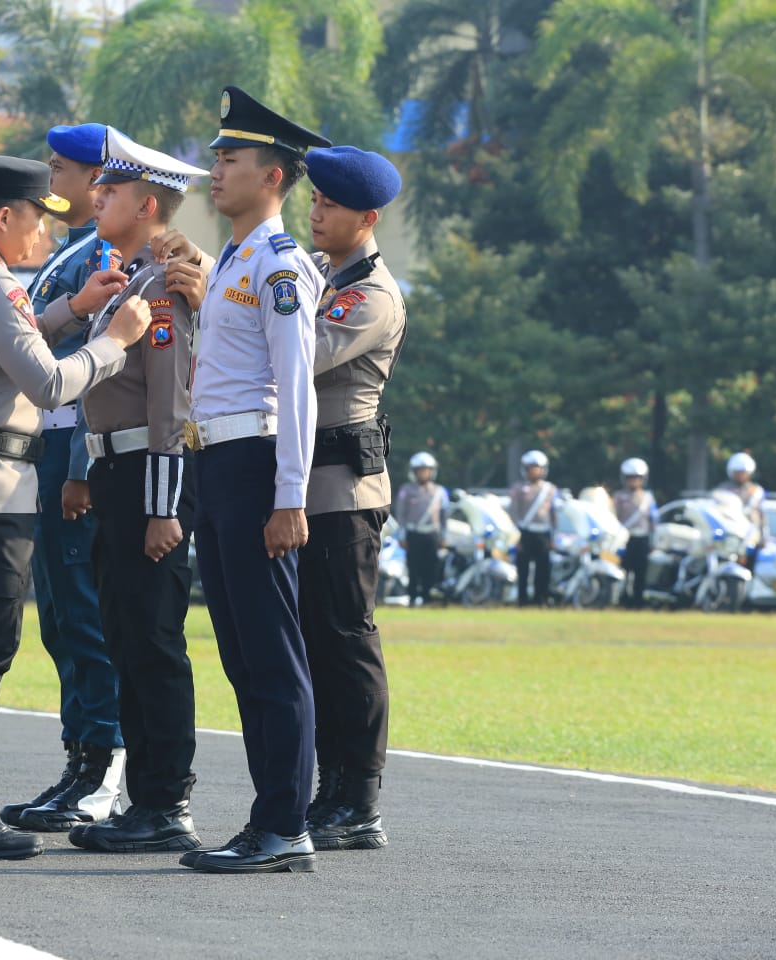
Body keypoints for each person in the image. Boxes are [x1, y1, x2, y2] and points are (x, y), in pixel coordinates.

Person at [0, 154, 150, 860]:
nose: (45, 233)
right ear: (7, 216)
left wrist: (68, 310)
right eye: (38, 218)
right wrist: (112, 340)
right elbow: (46, 385)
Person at [178, 86, 330, 875]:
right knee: (240, 652)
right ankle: (268, 816)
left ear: (273, 176)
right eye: (217, 158)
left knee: (272, 653)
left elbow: (295, 385)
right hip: (219, 466)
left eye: (231, 159)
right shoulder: (236, 256)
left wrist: (291, 496)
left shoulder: (278, 265)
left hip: (256, 464)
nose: (216, 170)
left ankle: (285, 824)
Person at [60, 127, 210, 854]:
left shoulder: (163, 289)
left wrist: (162, 508)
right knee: (124, 636)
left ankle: (165, 801)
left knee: (152, 641)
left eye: (111, 191)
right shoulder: (129, 282)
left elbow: (169, 409)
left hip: (147, 484)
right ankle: (145, 801)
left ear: (147, 204)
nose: (96, 198)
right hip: (114, 475)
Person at [0, 122, 126, 833]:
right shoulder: (66, 252)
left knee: (83, 611)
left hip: (75, 452)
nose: (51, 175)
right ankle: (79, 760)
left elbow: (105, 368)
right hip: (43, 449)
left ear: (95, 178)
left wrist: (80, 466)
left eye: (62, 166)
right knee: (57, 614)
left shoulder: (100, 254)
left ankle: (104, 767)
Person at [286, 145, 407, 854]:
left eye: (330, 203)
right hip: (310, 488)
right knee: (315, 645)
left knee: (345, 641)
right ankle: (331, 788)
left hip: (343, 493)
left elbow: (298, 352)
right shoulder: (329, 278)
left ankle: (358, 797)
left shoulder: (371, 295)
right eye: (315, 200)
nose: (316, 210)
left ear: (367, 216)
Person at [395, 451, 448, 607]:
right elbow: (401, 516)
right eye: (420, 470)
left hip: (432, 535)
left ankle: (427, 597)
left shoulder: (440, 491)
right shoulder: (406, 490)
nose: (423, 473)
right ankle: (412, 598)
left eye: (426, 470)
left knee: (431, 567)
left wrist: (443, 536)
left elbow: (444, 517)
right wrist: (402, 536)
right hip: (413, 534)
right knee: (413, 567)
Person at [510, 450, 558, 606]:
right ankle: (522, 600)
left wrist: (553, 537)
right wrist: (515, 536)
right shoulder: (518, 489)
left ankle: (540, 599)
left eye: (537, 468)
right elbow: (514, 513)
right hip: (524, 532)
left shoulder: (550, 489)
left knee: (543, 569)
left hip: (543, 533)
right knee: (522, 570)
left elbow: (553, 515)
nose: (534, 471)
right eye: (531, 468)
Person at [612, 458, 656, 609]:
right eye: (630, 478)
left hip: (642, 538)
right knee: (623, 568)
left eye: (637, 478)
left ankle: (638, 600)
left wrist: (654, 541)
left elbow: (653, 521)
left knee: (640, 571)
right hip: (623, 538)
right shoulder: (617, 497)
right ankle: (622, 598)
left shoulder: (648, 498)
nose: (633, 481)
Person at [716, 452, 767, 542]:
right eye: (737, 472)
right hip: (730, 534)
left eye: (743, 472)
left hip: (751, 535)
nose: (740, 475)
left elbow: (762, 515)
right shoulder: (723, 490)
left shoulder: (756, 491)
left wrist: (763, 538)